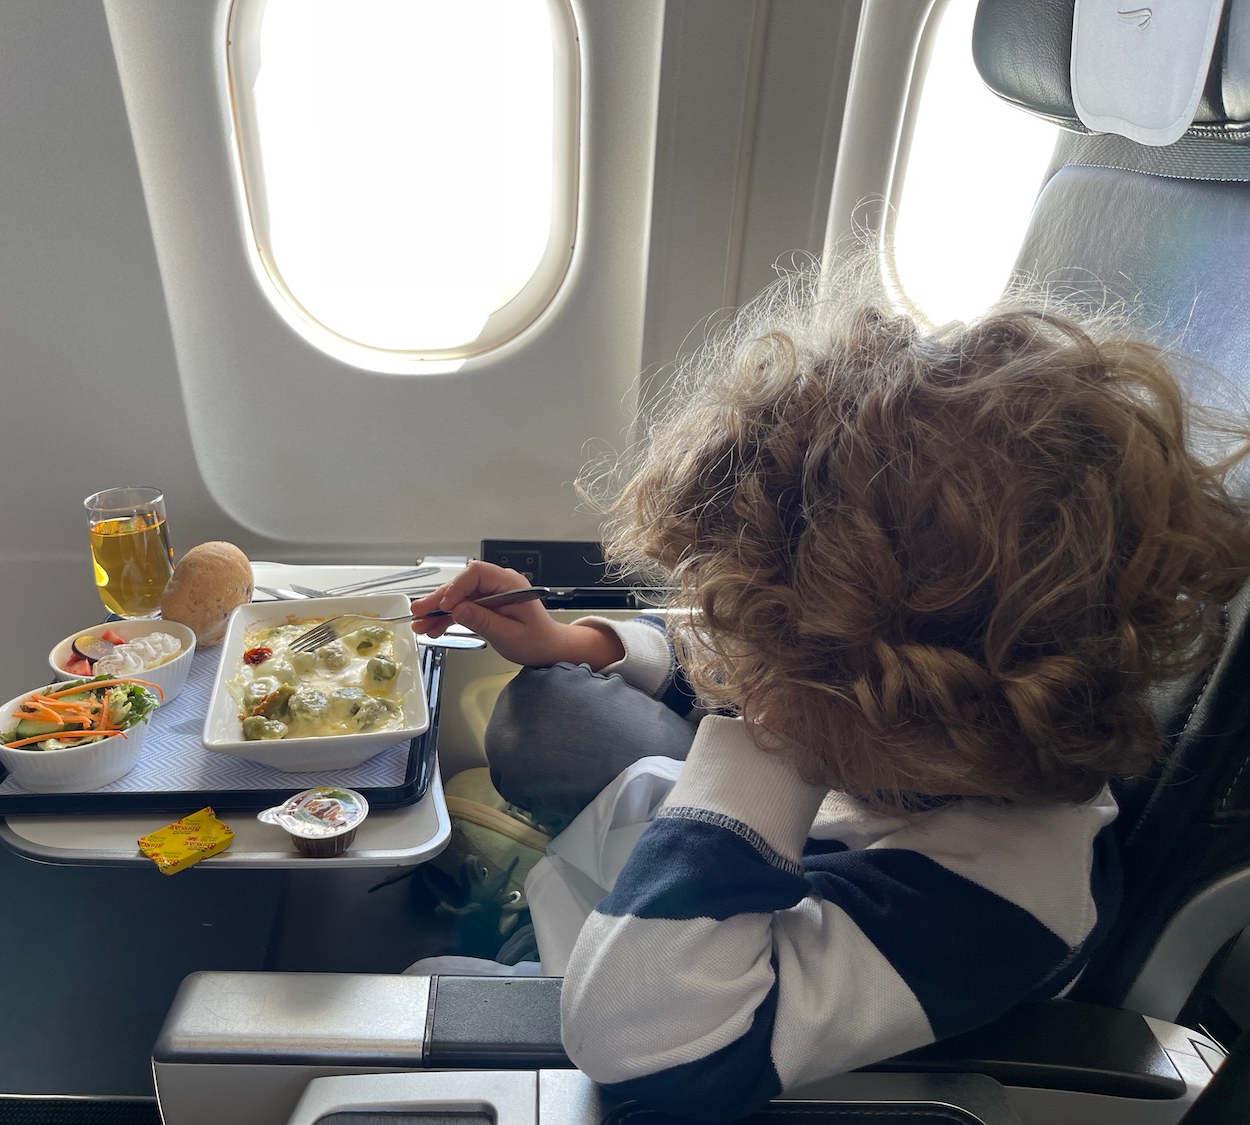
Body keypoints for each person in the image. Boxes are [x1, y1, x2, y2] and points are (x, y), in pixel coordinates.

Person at [408, 262, 1250, 1120]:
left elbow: (639, 1051)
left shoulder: (998, 904)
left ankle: (519, 937)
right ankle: (540, 902)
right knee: (547, 705)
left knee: (423, 989)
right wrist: (572, 641)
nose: (732, 664)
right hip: (719, 867)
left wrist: (766, 737)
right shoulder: (929, 707)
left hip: (676, 991)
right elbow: (728, 647)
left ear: (861, 695)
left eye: (765, 656)